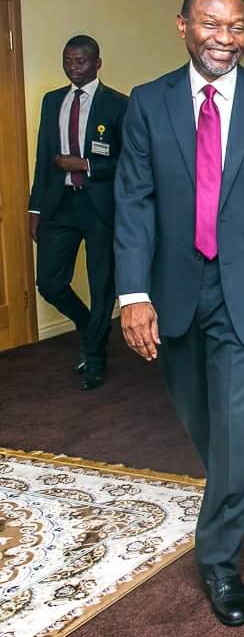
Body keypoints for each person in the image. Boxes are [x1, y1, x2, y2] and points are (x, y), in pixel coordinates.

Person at [115, 0, 244, 626]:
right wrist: (133, 294)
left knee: (234, 423)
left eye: (235, 26)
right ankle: (229, 485)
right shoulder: (148, 102)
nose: (224, 38)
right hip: (174, 289)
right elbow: (134, 202)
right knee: (199, 415)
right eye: (211, 23)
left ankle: (219, 559)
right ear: (183, 26)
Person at [28, 35, 128, 391]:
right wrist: (35, 208)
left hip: (100, 206)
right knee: (49, 282)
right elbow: (44, 157)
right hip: (60, 204)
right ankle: (89, 327)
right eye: (68, 61)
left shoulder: (118, 104)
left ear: (97, 63)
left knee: (103, 286)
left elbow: (130, 162)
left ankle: (96, 357)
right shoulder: (52, 100)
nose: (74, 68)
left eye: (81, 61)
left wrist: (86, 164)